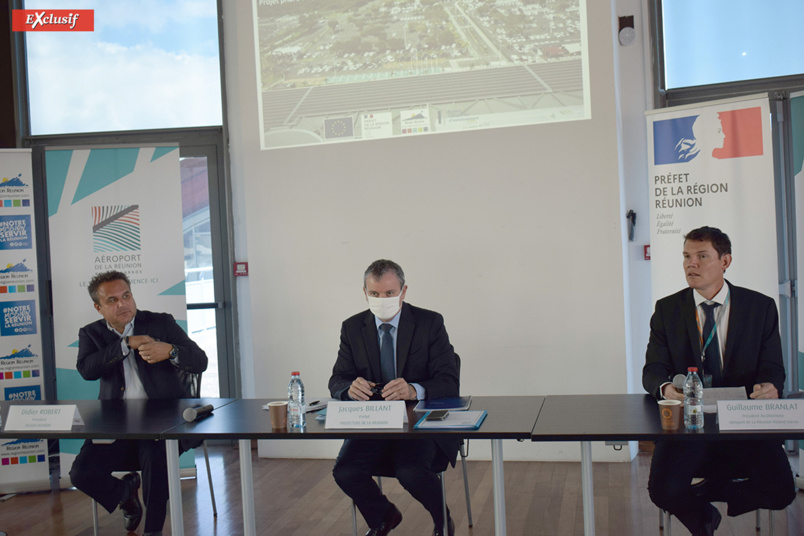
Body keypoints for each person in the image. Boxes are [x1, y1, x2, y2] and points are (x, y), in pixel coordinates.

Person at [643, 226, 795, 536]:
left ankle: (723, 491)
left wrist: (770, 385)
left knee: (782, 492)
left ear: (725, 261)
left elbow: (772, 366)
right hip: (689, 424)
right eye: (686, 256)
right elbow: (653, 370)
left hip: (744, 423)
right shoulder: (667, 309)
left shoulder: (760, 307)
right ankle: (703, 518)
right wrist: (666, 387)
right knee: (662, 491)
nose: (691, 264)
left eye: (701, 256)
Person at [69, 271, 208, 536]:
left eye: (126, 296)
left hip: (164, 421)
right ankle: (125, 492)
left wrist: (171, 351)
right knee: (81, 473)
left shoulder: (161, 323)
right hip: (115, 425)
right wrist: (125, 345)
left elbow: (200, 361)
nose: (122, 304)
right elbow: (87, 370)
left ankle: (152, 532)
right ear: (98, 307)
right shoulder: (91, 333)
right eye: (112, 300)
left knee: (156, 458)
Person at [329, 259, 460, 536]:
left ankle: (443, 521)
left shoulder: (429, 323)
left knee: (411, 472)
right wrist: (348, 388)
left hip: (419, 422)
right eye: (375, 294)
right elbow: (337, 379)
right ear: (364, 293)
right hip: (372, 422)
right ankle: (384, 517)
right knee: (345, 471)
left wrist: (414, 390)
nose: (382, 300)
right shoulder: (352, 328)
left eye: (390, 293)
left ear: (404, 291)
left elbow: (448, 380)